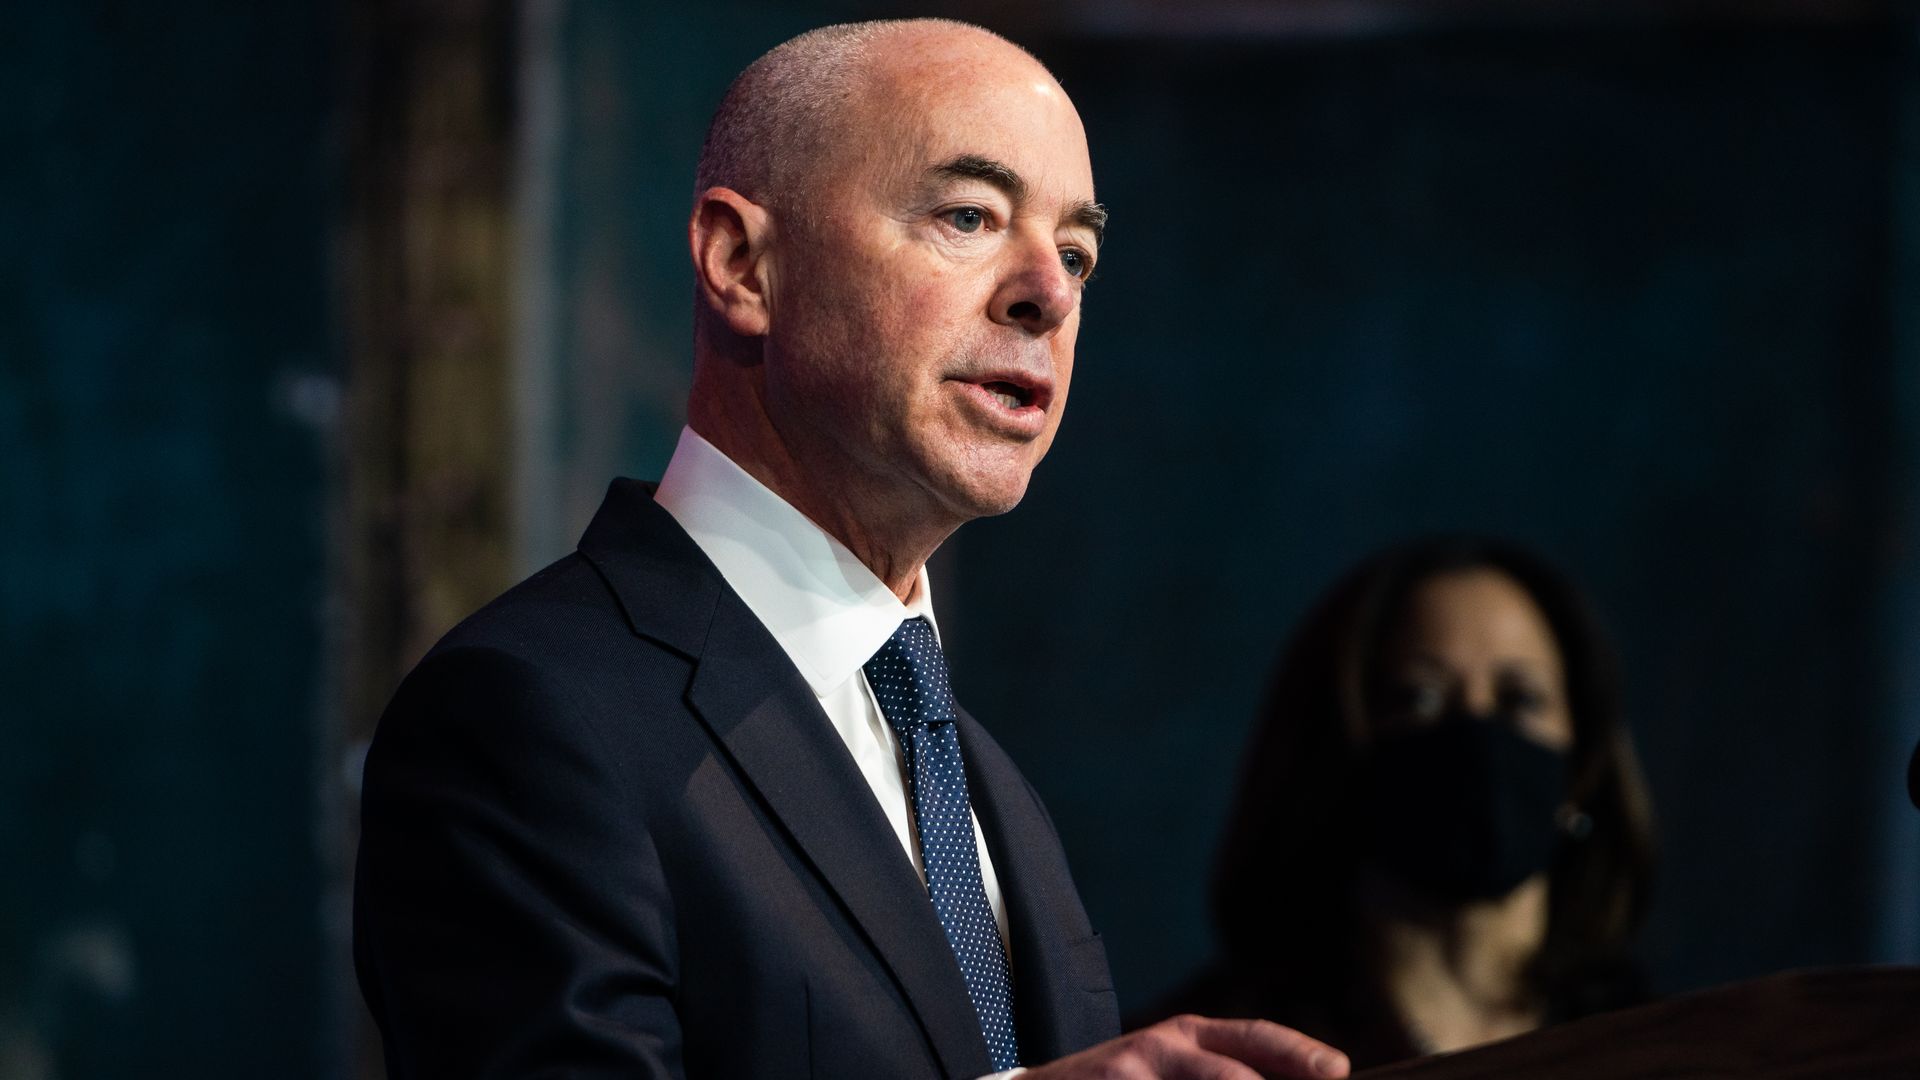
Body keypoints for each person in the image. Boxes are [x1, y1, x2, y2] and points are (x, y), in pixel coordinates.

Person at [353, 18, 1350, 1080]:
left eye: (1076, 253)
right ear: (743, 265)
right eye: (970, 216)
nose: (1049, 296)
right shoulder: (527, 714)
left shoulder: (985, 785)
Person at [1147, 536, 1657, 1070]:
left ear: (1584, 763)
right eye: (1419, 697)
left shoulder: (1664, 1046)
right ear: (1337, 742)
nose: (1475, 730)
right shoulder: (1208, 1056)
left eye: (1520, 700)